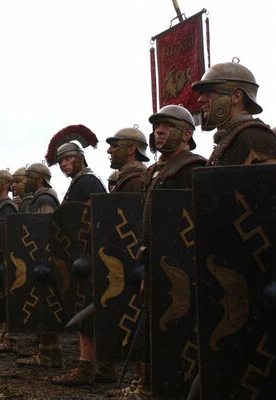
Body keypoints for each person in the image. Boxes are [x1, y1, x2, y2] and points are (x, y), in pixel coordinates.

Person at [116, 105, 207, 400]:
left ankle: (166, 387)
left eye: (167, 126)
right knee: (152, 326)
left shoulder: (193, 168)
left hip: (182, 262)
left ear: (186, 134)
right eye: (156, 127)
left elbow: (197, 220)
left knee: (175, 326)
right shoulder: (153, 171)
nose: (159, 132)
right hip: (154, 259)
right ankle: (148, 386)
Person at [50, 139, 108, 386]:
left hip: (89, 255)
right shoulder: (78, 183)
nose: (64, 164)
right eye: (61, 161)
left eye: (68, 158)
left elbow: (89, 220)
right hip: (82, 256)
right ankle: (105, 366)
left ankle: (87, 367)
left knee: (87, 310)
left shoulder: (87, 182)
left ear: (80, 157)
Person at [14, 162, 62, 368]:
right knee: (42, 305)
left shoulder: (45, 199)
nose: (24, 182)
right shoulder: (37, 198)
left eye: (27, 178)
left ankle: (51, 353)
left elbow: (46, 230)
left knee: (47, 306)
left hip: (46, 260)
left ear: (39, 179)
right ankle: (45, 351)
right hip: (38, 259)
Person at [192, 59, 276, 165]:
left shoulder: (254, 137)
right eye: (201, 93)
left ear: (236, 96)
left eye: (210, 92)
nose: (201, 99)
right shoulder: (228, 139)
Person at [106, 126, 149, 192]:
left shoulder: (137, 180)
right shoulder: (126, 177)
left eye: (115, 146)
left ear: (131, 149)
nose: (109, 151)